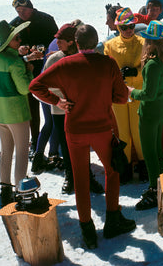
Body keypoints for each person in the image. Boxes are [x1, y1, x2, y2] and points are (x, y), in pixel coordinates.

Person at [29, 24, 136, 250]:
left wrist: (57, 102)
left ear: (76, 44)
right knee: (112, 171)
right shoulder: (108, 64)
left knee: (80, 179)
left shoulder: (65, 64)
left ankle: (87, 230)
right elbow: (119, 97)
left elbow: (35, 85)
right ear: (96, 42)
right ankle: (113, 220)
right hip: (103, 127)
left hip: (75, 129)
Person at [40, 23, 104, 195]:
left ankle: (88, 177)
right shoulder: (54, 60)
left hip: (83, 110)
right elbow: (44, 85)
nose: (57, 43)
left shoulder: (86, 57)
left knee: (84, 145)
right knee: (66, 145)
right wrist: (60, 98)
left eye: (60, 40)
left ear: (71, 42)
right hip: (61, 112)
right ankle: (70, 176)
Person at [0, 20, 33, 206]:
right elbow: (25, 89)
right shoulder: (15, 61)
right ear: (8, 42)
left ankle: (5, 192)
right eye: (16, 38)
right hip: (17, 113)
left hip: (0, 111)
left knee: (5, 151)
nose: (20, 40)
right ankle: (21, 192)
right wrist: (29, 71)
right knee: (22, 152)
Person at [129, 21, 163, 210]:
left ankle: (154, 190)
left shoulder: (152, 65)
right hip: (161, 110)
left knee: (149, 153)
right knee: (157, 150)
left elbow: (148, 94)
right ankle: (162, 182)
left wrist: (130, 91)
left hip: (149, 112)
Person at [10, 0, 58, 155]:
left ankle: (54, 139)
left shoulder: (46, 20)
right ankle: (36, 141)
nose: (21, 14)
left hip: (47, 69)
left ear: (31, 7)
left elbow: (57, 43)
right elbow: (8, 48)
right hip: (26, 71)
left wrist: (42, 50)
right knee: (32, 109)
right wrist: (20, 51)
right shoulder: (14, 25)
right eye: (18, 11)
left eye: (24, 10)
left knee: (52, 107)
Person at [104, 8, 146, 183]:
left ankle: (144, 167)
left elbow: (148, 67)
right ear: (118, 28)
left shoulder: (144, 43)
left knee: (138, 131)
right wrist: (116, 75)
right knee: (122, 132)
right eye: (124, 28)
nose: (129, 30)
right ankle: (125, 168)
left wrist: (135, 72)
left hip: (137, 93)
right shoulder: (110, 45)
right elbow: (106, 69)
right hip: (119, 95)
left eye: (132, 26)